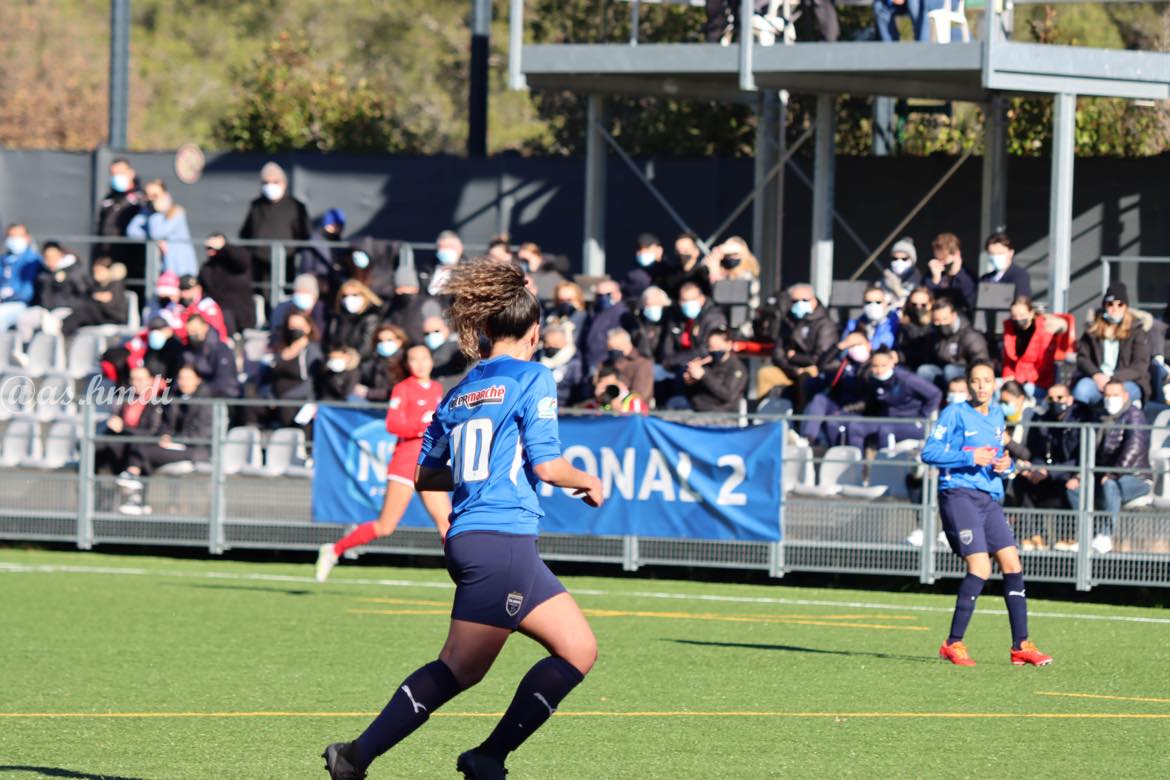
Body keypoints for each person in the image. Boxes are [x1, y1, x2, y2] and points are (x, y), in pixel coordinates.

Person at [321, 258, 603, 780]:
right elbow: (547, 464)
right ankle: (356, 756)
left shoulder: (458, 392)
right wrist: (587, 480)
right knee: (459, 667)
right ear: (534, 330)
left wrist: (483, 477)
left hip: (482, 538)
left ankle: (487, 756)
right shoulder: (534, 377)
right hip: (502, 540)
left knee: (578, 648)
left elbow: (428, 476)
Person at [921, 360, 1053, 668]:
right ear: (968, 385)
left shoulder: (996, 416)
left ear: (995, 385)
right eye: (976, 381)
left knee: (1012, 563)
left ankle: (1021, 645)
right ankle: (953, 643)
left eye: (987, 381)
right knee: (980, 567)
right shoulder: (954, 413)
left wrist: (1005, 466)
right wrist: (968, 456)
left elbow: (1000, 458)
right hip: (959, 495)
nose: (982, 386)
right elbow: (929, 452)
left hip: (989, 498)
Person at [316, 345, 453, 582]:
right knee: (385, 526)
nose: (420, 364)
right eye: (414, 359)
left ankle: (463, 577)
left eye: (424, 359)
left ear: (432, 361)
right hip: (405, 464)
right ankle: (334, 550)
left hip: (430, 463)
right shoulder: (403, 388)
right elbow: (393, 425)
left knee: (446, 522)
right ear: (407, 364)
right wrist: (421, 427)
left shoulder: (438, 389)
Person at [1067, 380, 1152, 555]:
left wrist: (1113, 473)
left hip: (1136, 478)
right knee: (1074, 488)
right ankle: (1086, 537)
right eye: (1107, 396)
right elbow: (1092, 451)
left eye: (1115, 395)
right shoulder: (1100, 417)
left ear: (1125, 396)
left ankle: (1105, 536)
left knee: (1110, 486)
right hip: (1103, 475)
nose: (1110, 400)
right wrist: (1079, 475)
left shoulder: (1134, 415)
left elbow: (1134, 447)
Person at [116, 365, 213, 516]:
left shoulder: (207, 403)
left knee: (142, 449)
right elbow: (166, 425)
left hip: (194, 450)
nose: (183, 382)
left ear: (197, 380)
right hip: (173, 446)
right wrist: (165, 436)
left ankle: (133, 481)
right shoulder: (174, 398)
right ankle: (139, 498)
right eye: (181, 378)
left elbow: (201, 435)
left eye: (188, 378)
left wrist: (174, 439)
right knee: (142, 448)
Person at [1013, 384, 1085, 549]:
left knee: (1069, 487)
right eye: (1051, 399)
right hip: (1046, 473)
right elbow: (1037, 453)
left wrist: (1050, 472)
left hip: (1067, 475)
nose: (1055, 402)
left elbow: (1077, 459)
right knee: (1021, 481)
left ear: (1070, 399)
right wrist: (1036, 469)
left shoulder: (1078, 423)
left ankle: (1068, 537)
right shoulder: (1042, 421)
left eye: (1060, 398)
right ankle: (1034, 534)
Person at [847, 348, 941, 451]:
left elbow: (935, 394)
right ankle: (856, 465)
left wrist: (923, 415)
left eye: (883, 366)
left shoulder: (907, 379)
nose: (879, 370)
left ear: (892, 363)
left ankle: (885, 465)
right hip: (887, 420)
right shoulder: (873, 380)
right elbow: (870, 402)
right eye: (875, 366)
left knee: (886, 430)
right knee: (855, 427)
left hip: (911, 422)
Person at [758, 283, 837, 403]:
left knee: (805, 377)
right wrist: (792, 369)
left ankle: (800, 418)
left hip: (814, 369)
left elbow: (820, 357)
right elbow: (778, 353)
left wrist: (795, 357)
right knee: (765, 374)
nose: (799, 304)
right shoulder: (788, 320)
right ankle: (765, 418)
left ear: (813, 299)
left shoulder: (825, 323)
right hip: (790, 368)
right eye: (795, 301)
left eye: (804, 300)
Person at [1073, 283, 1150, 407]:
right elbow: (1082, 358)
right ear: (1104, 306)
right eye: (1110, 304)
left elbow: (1140, 365)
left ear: (1126, 307)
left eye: (1120, 304)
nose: (1115, 309)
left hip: (1126, 380)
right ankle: (1079, 424)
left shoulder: (1136, 330)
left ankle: (1126, 424)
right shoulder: (1092, 329)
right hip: (1097, 380)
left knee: (1118, 396)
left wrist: (1114, 379)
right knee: (1081, 390)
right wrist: (1096, 374)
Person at [239, 161, 311, 287]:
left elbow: (305, 235)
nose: (270, 186)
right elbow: (246, 233)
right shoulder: (256, 205)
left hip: (286, 262)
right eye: (266, 182)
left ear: (284, 184)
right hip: (259, 264)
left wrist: (290, 252)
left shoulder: (296, 206)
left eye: (275, 182)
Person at [19, 242, 92, 343]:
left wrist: (65, 277)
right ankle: (25, 350)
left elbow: (84, 292)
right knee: (24, 319)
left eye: (53, 256)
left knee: (51, 324)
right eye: (47, 257)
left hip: (66, 310)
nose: (51, 259)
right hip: (45, 310)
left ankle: (53, 354)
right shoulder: (43, 272)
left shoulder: (74, 271)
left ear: (61, 254)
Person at [126, 179, 199, 277]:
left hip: (180, 266)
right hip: (160, 267)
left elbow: (157, 233)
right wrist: (153, 239)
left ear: (165, 195)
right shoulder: (147, 212)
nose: (151, 199)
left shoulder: (177, 212)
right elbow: (132, 231)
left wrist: (157, 212)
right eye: (148, 195)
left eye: (155, 195)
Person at [916, 298, 989, 389]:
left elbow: (981, 363)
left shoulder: (970, 335)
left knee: (950, 370)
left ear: (954, 316)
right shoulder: (935, 333)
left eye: (944, 319)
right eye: (936, 321)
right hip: (942, 371)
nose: (941, 323)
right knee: (924, 370)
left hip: (966, 373)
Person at [1001, 296, 1065, 396]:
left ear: (1031, 314)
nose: (1018, 319)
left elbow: (1044, 367)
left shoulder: (1044, 331)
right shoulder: (1010, 330)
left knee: (1021, 391)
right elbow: (1008, 362)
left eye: (1022, 315)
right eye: (1014, 316)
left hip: (1037, 383)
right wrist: (1008, 377)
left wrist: (1018, 379)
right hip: (1015, 380)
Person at [659, 281, 727, 374]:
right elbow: (668, 345)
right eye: (684, 300)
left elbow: (706, 349)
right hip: (678, 365)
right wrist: (669, 361)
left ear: (701, 298)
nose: (687, 304)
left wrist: (675, 360)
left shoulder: (714, 318)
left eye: (691, 300)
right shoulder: (676, 316)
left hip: (704, 367)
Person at [270, 311, 322, 427]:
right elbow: (270, 376)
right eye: (291, 327)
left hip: (297, 399)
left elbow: (312, 383)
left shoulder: (312, 352)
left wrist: (286, 397)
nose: (294, 330)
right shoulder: (281, 348)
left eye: (299, 327)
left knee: (287, 408)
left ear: (308, 328)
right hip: (277, 398)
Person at [95, 157, 144, 281]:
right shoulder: (108, 199)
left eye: (120, 173)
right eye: (113, 174)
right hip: (109, 255)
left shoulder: (140, 198)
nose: (117, 177)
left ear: (131, 173)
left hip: (134, 256)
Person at [680, 328, 747, 412]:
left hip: (722, 414)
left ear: (729, 345)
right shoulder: (707, 363)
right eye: (711, 347)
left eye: (718, 347)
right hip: (698, 409)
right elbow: (694, 393)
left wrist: (704, 375)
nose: (715, 351)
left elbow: (727, 395)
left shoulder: (736, 368)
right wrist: (689, 380)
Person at [200, 234, 256, 334]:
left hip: (241, 318)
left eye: (213, 247)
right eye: (208, 247)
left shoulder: (235, 264)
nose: (210, 250)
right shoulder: (207, 268)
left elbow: (242, 259)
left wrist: (224, 247)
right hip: (218, 320)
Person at [582, 279, 641, 372]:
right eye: (599, 295)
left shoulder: (624, 315)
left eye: (607, 294)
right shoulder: (593, 313)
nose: (603, 298)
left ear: (617, 293)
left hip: (611, 365)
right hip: (591, 362)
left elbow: (635, 339)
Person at [60, 256, 128, 335]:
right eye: (94, 272)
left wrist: (96, 296)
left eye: (99, 271)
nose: (96, 274)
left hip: (112, 318)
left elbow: (107, 301)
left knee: (83, 312)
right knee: (79, 312)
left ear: (108, 271)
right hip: (99, 316)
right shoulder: (97, 285)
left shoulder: (115, 285)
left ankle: (61, 332)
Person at [183, 312, 240, 399]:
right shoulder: (189, 350)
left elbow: (224, 381)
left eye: (195, 330)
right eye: (189, 331)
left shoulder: (221, 349)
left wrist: (198, 390)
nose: (192, 334)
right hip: (199, 394)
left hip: (222, 396)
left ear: (205, 327)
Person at [325, 280, 382, 362]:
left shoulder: (371, 317)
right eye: (345, 296)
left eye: (354, 295)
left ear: (364, 295)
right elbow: (330, 340)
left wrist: (350, 358)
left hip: (360, 363)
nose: (349, 299)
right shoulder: (337, 316)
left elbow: (367, 346)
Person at [0, 224, 41, 331]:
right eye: (11, 236)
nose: (14, 240)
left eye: (17, 236)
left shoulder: (32, 261)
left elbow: (27, 293)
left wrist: (11, 294)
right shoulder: (4, 260)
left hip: (22, 304)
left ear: (27, 238)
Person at [269, 273, 327, 348]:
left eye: (306, 292)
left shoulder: (322, 310)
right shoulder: (282, 308)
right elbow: (275, 335)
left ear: (315, 295)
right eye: (298, 292)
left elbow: (322, 338)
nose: (301, 295)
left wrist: (308, 329)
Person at [925, 232, 976, 316]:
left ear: (956, 254)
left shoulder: (967, 276)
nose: (940, 262)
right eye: (938, 258)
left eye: (943, 259)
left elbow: (970, 302)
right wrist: (935, 280)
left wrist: (956, 273)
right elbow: (925, 299)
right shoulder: (932, 273)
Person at [538, 318, 587, 406]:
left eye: (555, 344)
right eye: (547, 344)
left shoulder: (574, 363)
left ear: (563, 343)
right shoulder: (538, 357)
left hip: (563, 409)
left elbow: (577, 389)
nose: (549, 347)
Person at [356, 323, 409, 403]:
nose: (384, 343)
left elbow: (402, 390)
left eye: (389, 340)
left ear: (399, 341)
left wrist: (370, 393)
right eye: (380, 341)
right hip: (375, 408)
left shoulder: (406, 361)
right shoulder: (371, 364)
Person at [840, 284, 899, 352]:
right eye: (868, 302)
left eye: (878, 302)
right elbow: (842, 352)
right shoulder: (853, 325)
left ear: (885, 303)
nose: (873, 306)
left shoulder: (892, 323)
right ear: (863, 304)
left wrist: (864, 343)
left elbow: (885, 346)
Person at [605, 327, 653, 404]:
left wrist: (618, 385)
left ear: (625, 345)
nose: (612, 352)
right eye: (609, 349)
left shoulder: (642, 364)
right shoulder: (608, 362)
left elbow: (641, 395)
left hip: (632, 411)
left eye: (615, 348)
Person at [178, 275, 230, 342]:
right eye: (183, 290)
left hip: (211, 345)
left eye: (189, 289)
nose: (185, 293)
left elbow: (217, 330)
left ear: (199, 288)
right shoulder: (181, 306)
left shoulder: (207, 304)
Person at [979, 231, 1031, 300]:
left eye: (1000, 253)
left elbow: (1022, 303)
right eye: (992, 254)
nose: (996, 257)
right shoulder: (985, 278)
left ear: (1011, 253)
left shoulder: (1020, 275)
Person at [423, 315, 470, 390]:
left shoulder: (458, 347)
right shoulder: (425, 351)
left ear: (446, 329)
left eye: (436, 331)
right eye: (426, 334)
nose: (431, 335)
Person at [895, 287, 936, 372]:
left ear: (930, 304)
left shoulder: (936, 322)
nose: (918, 307)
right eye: (914, 304)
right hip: (906, 365)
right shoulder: (903, 321)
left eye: (923, 305)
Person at [879, 237, 922, 310]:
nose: (899, 262)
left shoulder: (920, 281)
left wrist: (901, 292)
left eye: (904, 259)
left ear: (912, 259)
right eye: (895, 259)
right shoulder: (883, 281)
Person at [421, 229, 465, 297]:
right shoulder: (427, 268)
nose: (446, 251)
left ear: (460, 248)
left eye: (451, 247)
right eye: (442, 247)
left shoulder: (467, 272)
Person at [622, 233, 664, 302]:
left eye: (647, 249)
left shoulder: (668, 272)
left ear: (659, 250)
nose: (642, 252)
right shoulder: (632, 274)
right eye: (639, 250)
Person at [547, 282, 588, 347]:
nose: (565, 303)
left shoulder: (586, 319)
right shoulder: (551, 317)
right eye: (561, 300)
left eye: (569, 300)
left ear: (578, 300)